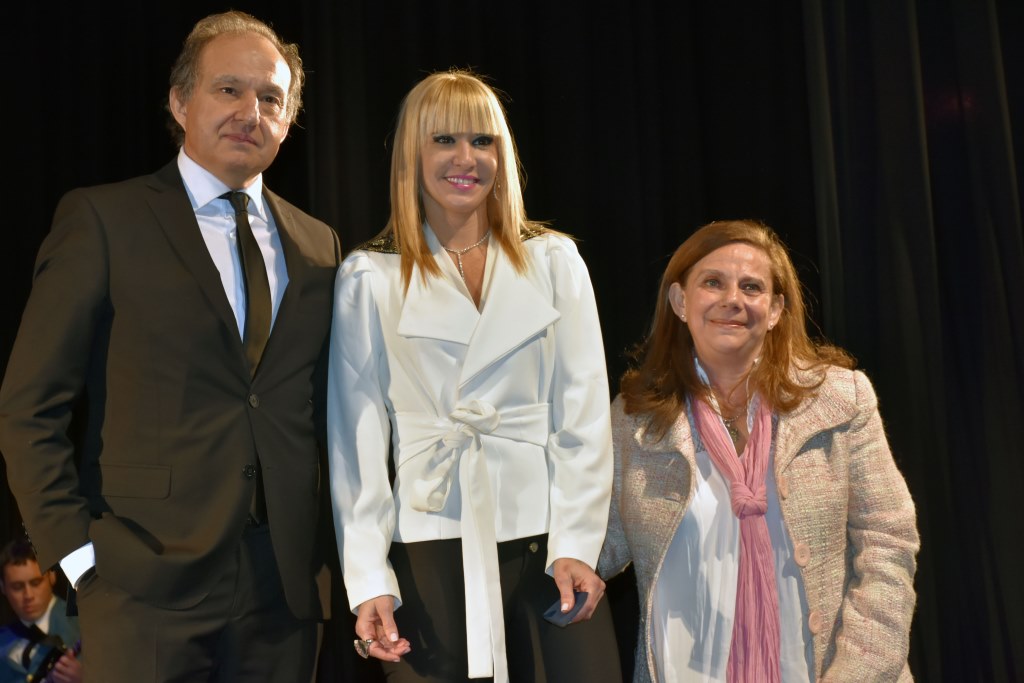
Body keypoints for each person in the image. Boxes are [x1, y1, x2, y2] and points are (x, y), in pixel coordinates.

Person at [0, 11, 341, 681]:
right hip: (140, 586)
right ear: (180, 101)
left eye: (271, 97)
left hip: (285, 592)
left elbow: (322, 412)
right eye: (229, 89)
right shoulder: (103, 220)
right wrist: (77, 556)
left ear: (289, 119)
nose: (251, 111)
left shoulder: (319, 245)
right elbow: (29, 406)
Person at [327, 69, 620, 683]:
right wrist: (368, 578)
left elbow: (584, 415)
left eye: (482, 141)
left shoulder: (555, 261)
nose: (466, 158)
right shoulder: (369, 277)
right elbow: (354, 445)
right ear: (412, 152)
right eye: (444, 140)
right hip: (426, 542)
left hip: (547, 543)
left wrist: (577, 543)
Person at [599, 219, 920, 682]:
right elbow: (599, 542)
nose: (732, 300)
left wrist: (858, 673)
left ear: (774, 310)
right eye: (712, 282)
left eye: (751, 287)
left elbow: (888, 541)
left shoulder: (839, 399)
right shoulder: (636, 420)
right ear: (679, 302)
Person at [0, 539, 82, 683]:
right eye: (17, 587)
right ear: (3, 587)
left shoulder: (85, 626)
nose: (28, 595)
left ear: (52, 576)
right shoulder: (3, 639)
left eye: (36, 583)